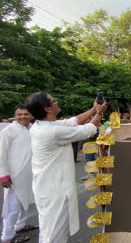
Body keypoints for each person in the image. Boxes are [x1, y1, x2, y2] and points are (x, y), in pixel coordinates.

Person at [24, 92, 108, 243]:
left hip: (47, 187)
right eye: (53, 101)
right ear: (48, 109)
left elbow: (73, 121)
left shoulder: (41, 125)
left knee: (48, 230)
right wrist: (100, 113)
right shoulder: (51, 131)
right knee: (54, 235)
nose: (57, 102)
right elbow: (86, 130)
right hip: (56, 191)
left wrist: (93, 109)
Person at [0, 105, 37, 243]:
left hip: (30, 174)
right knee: (12, 207)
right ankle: (7, 236)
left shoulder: (33, 128)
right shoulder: (8, 131)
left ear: (31, 115)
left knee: (25, 201)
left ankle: (20, 226)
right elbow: (1, 154)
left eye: (26, 114)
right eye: (19, 114)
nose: (22, 117)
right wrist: (3, 174)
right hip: (14, 175)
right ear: (14, 116)